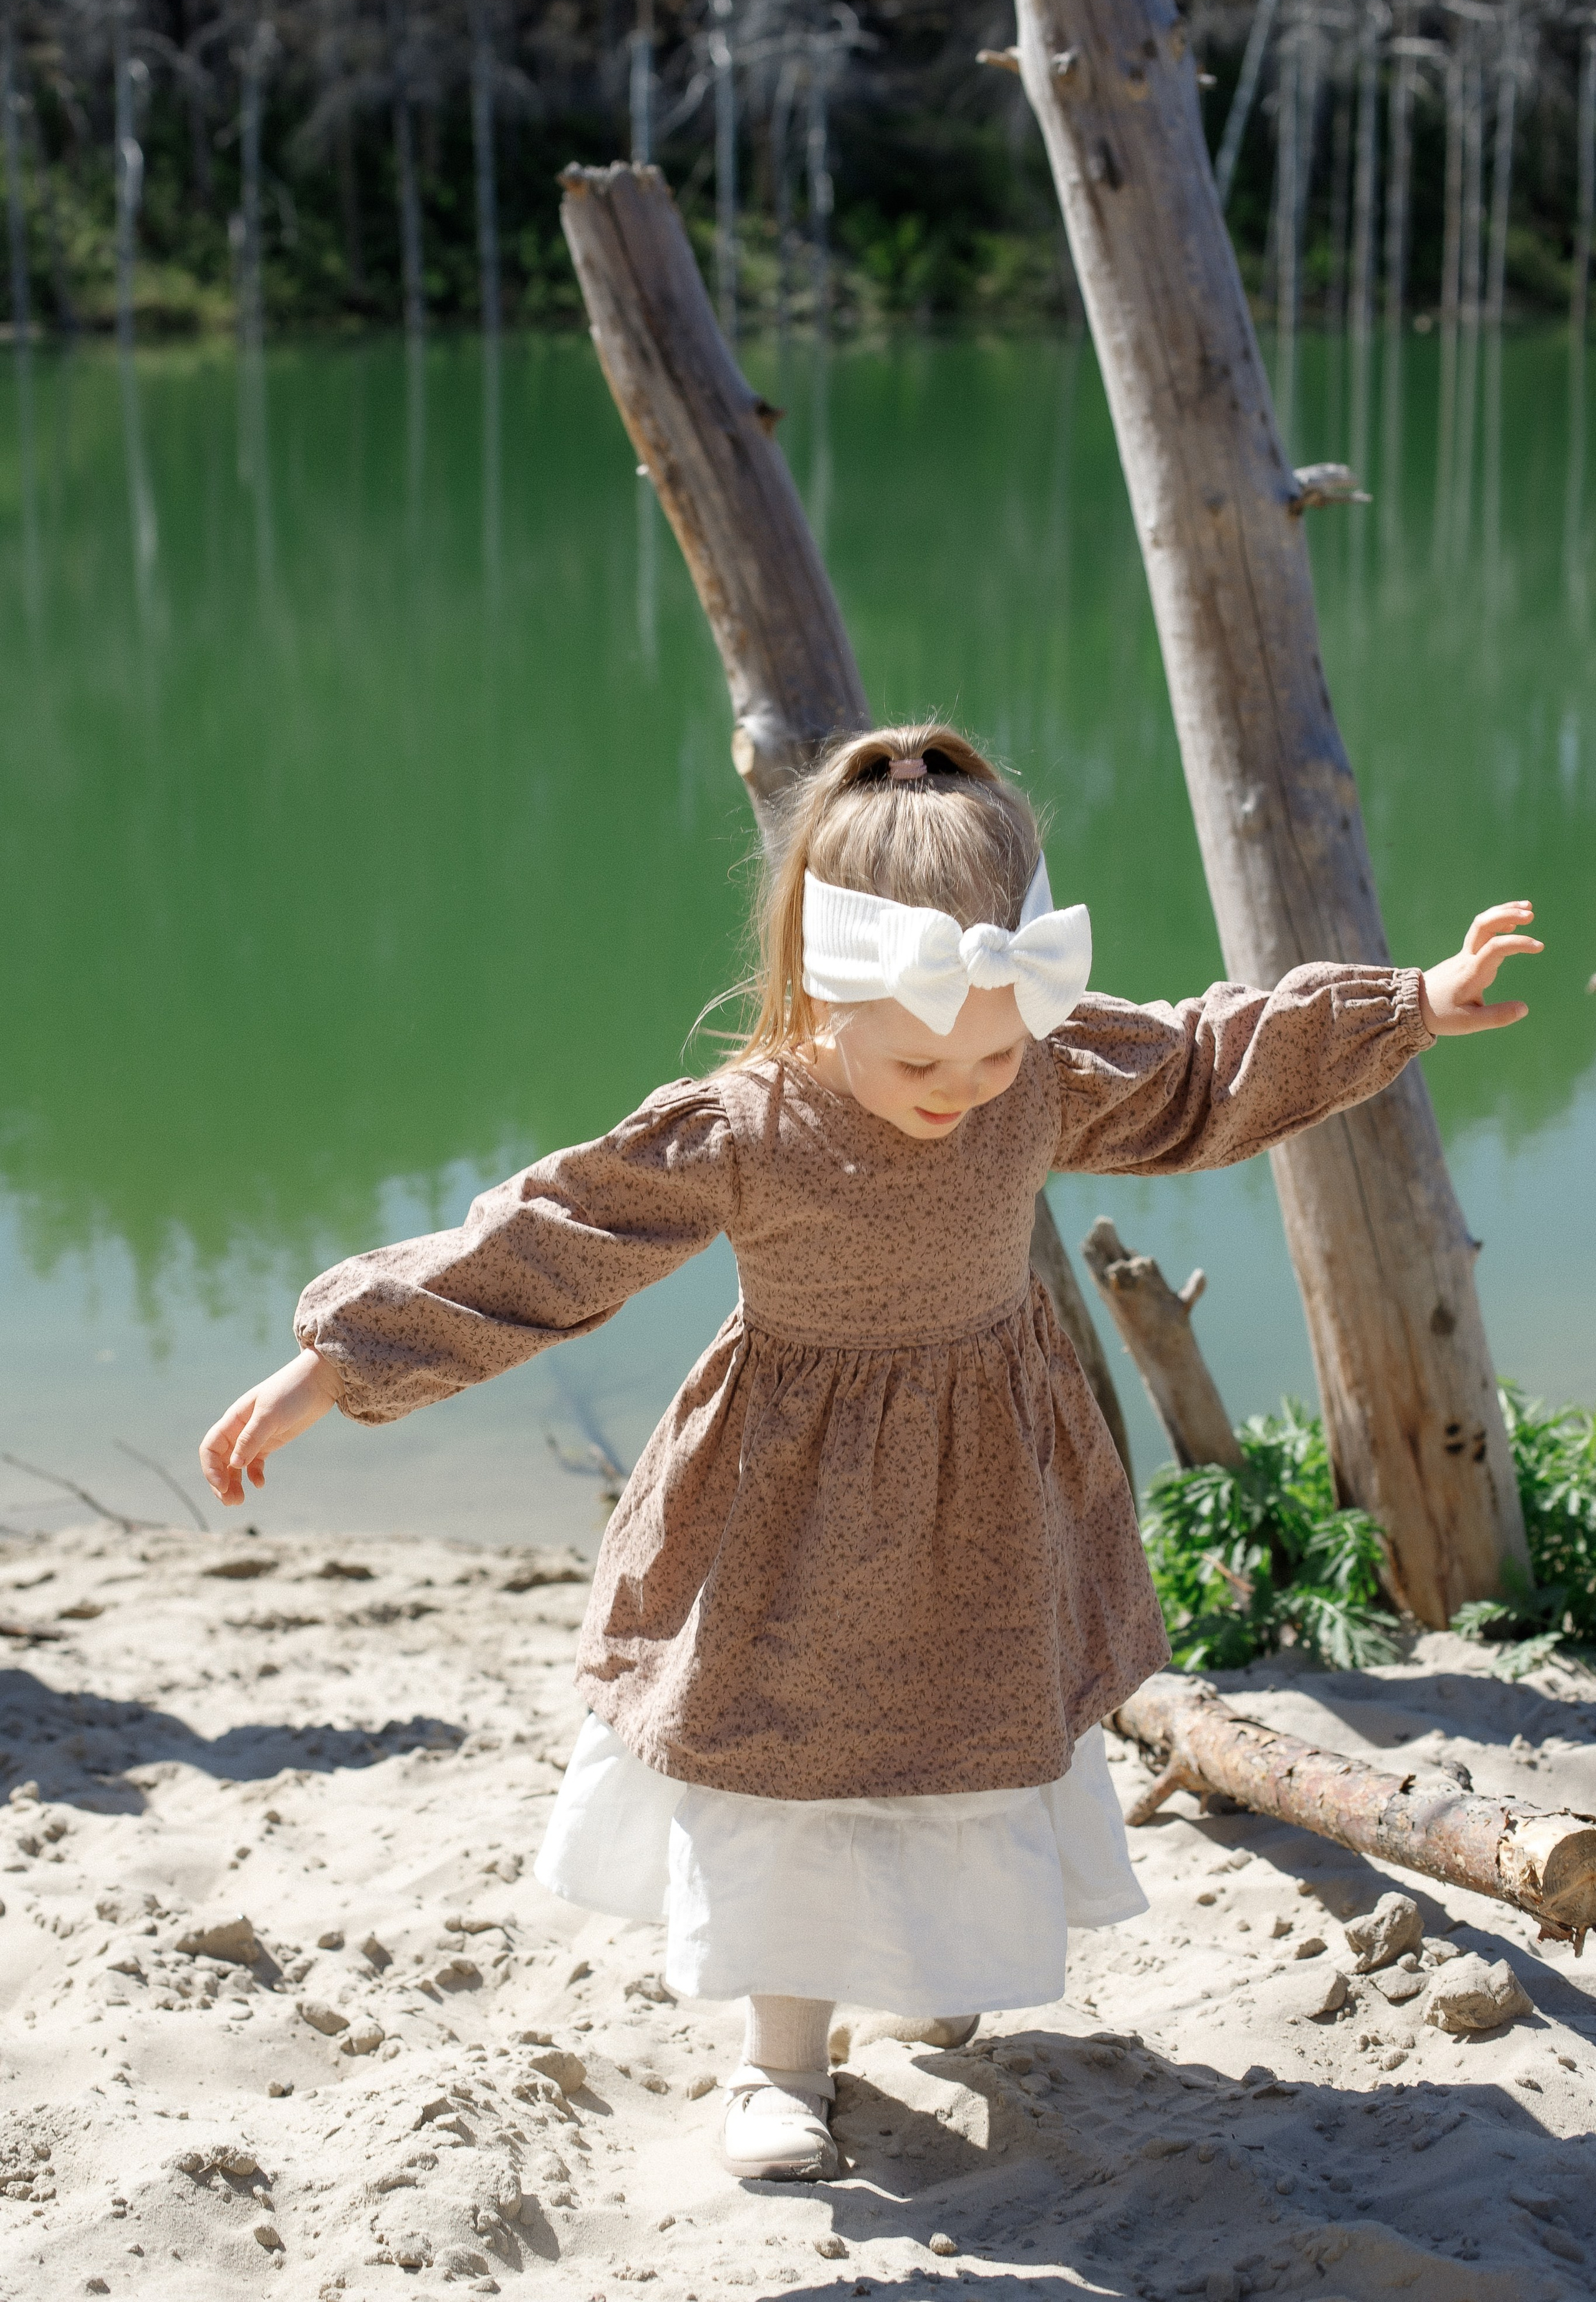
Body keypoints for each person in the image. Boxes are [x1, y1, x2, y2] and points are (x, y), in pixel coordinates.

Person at [199, 723, 1539, 2184]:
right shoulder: (743, 1125)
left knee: (969, 1732)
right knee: (794, 1760)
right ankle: (780, 2060)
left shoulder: (1039, 1069)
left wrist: (1407, 1004)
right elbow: (551, 1239)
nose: (960, 1081)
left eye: (989, 1046)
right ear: (812, 990)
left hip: (989, 1488)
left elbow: (1209, 1066)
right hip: (792, 1499)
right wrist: (334, 1363)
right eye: (916, 1053)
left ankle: (937, 1955)